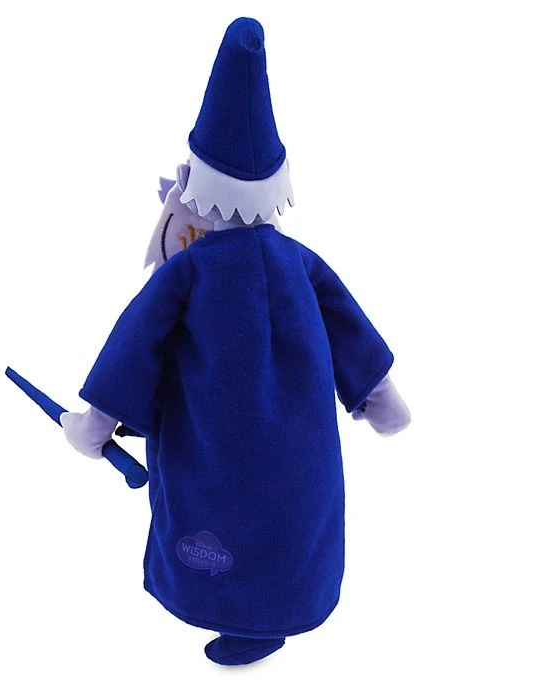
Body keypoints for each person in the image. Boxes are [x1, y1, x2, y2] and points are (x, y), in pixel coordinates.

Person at [60, 17, 410, 666]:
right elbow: (352, 332)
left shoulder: (187, 273)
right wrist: (381, 399)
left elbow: (132, 350)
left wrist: (92, 425)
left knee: (215, 520)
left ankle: (234, 614)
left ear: (197, 187)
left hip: (213, 459)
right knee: (292, 525)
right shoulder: (304, 264)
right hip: (301, 463)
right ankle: (275, 615)